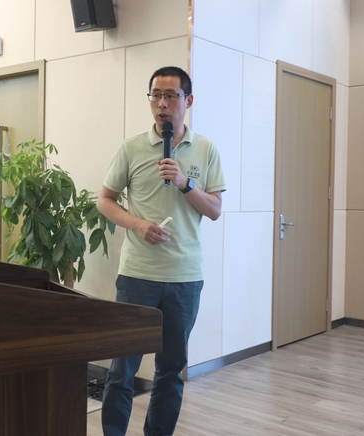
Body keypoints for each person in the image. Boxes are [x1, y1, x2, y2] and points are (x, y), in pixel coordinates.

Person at [97, 66, 226, 436]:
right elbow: (105, 201)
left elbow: (215, 210)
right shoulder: (131, 148)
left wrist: (185, 182)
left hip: (185, 278)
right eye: (156, 95)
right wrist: (138, 224)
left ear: (188, 100)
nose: (162, 104)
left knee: (170, 371)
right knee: (122, 369)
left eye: (171, 96)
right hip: (137, 276)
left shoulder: (206, 149)